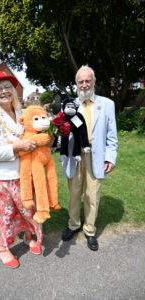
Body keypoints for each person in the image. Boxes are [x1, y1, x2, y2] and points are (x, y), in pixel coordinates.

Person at [0, 70, 43, 268]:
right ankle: (3, 248)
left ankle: (28, 235)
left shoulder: (21, 112)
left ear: (14, 90)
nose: (4, 91)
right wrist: (17, 147)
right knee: (6, 215)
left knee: (28, 209)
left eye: (7, 86)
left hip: (26, 173)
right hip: (4, 178)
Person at [62, 65, 118, 251]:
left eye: (88, 81)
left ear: (93, 81)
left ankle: (90, 230)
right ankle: (73, 224)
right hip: (75, 155)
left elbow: (112, 135)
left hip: (96, 155)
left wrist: (110, 157)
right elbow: (63, 131)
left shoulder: (107, 104)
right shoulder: (69, 105)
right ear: (76, 84)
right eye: (81, 81)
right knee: (75, 192)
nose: (84, 85)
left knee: (92, 194)